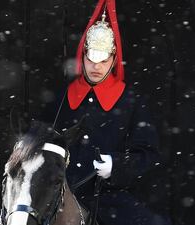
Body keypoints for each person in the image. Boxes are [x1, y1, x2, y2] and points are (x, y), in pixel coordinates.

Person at [40, 0, 171, 224]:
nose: (96, 66)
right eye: (91, 58)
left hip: (109, 199)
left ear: (113, 60)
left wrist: (118, 166)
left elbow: (148, 154)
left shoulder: (131, 101)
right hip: (58, 194)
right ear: (83, 56)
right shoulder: (62, 97)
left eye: (103, 60)